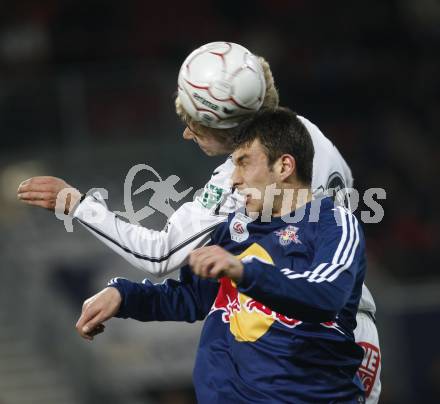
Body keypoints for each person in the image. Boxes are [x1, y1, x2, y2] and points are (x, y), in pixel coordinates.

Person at [17, 42, 381, 402]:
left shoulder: (238, 183)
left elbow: (158, 255)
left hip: (310, 336)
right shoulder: (305, 135)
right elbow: (200, 293)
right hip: (326, 322)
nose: (187, 133)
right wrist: (127, 294)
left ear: (224, 124)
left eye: (194, 122)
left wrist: (79, 205)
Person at [77, 108, 367, 403]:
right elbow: (191, 299)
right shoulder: (233, 232)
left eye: (244, 163)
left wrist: (244, 270)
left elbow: (326, 293)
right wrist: (124, 295)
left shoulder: (332, 223)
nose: (233, 180)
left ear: (284, 166)